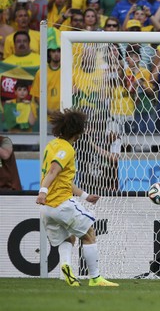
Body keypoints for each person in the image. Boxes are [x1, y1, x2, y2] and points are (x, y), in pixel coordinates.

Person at [36, 109, 118, 287]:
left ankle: (66, 268)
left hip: (46, 209)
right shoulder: (67, 150)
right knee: (89, 233)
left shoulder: (52, 145)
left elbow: (59, 178)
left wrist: (85, 196)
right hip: (61, 203)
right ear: (78, 131)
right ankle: (95, 278)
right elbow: (53, 171)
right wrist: (42, 191)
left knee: (68, 238)